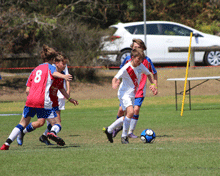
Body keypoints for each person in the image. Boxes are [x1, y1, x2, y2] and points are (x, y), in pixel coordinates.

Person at [0, 45, 76, 150]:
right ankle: (51, 133)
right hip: (43, 100)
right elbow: (54, 73)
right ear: (53, 59)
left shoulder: (35, 70)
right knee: (57, 123)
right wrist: (64, 76)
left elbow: (27, 90)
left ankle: (6, 144)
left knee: (22, 123)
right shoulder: (51, 67)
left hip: (30, 100)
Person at [103, 48, 157, 144]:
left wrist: (153, 84)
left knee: (127, 116)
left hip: (132, 94)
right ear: (132, 58)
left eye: (141, 59)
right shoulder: (126, 68)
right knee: (131, 112)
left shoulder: (140, 66)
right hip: (124, 93)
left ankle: (109, 130)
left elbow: (149, 74)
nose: (139, 61)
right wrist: (114, 84)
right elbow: (115, 78)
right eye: (138, 59)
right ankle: (124, 137)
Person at [39, 54, 71, 145]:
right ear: (56, 63)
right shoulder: (51, 71)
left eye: (65, 64)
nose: (64, 66)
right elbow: (54, 75)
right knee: (41, 122)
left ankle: (46, 135)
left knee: (54, 122)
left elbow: (61, 87)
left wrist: (70, 98)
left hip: (55, 99)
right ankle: (21, 132)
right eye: (63, 64)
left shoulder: (63, 72)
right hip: (46, 100)